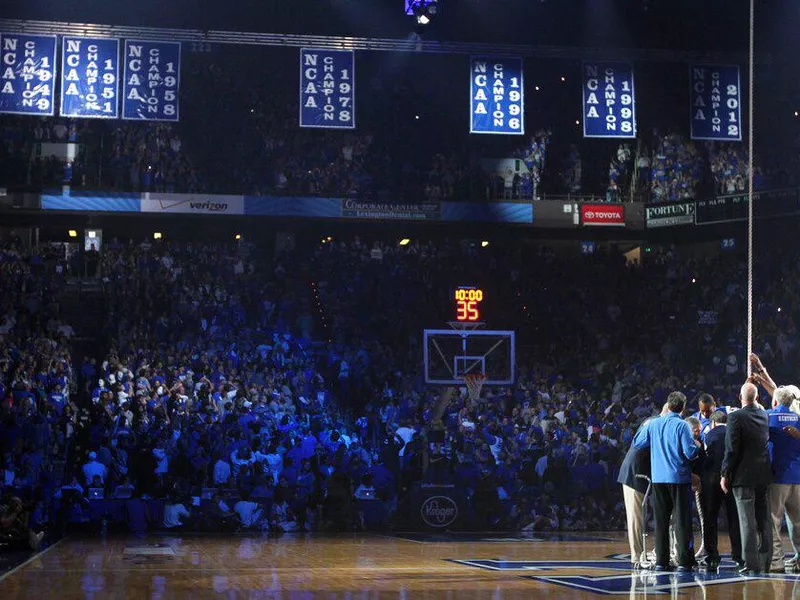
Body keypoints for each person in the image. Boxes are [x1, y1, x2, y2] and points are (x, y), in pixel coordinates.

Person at [633, 391, 699, 571]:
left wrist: (649, 423)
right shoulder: (683, 426)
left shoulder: (654, 424)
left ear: (667, 405)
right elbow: (690, 452)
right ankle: (684, 562)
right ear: (683, 408)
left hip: (658, 479)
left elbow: (637, 443)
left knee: (661, 521)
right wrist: (697, 446)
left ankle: (661, 561)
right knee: (682, 521)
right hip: (679, 479)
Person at [721, 381, 773, 575]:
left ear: (740, 397)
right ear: (757, 398)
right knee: (763, 519)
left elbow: (731, 449)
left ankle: (750, 563)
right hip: (763, 475)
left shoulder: (735, 417)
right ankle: (765, 561)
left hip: (743, 476)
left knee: (747, 521)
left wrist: (725, 473)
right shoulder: (764, 415)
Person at [617, 404, 667, 568]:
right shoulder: (658, 424)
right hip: (634, 472)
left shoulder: (650, 421)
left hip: (639, 470)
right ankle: (637, 557)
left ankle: (648, 553)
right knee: (635, 517)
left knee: (639, 516)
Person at [700, 411, 742, 571]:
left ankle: (712, 557)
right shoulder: (735, 433)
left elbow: (705, 458)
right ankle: (738, 556)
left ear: (713, 423)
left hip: (711, 480)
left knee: (710, 518)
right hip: (732, 479)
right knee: (734, 519)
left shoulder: (709, 435)